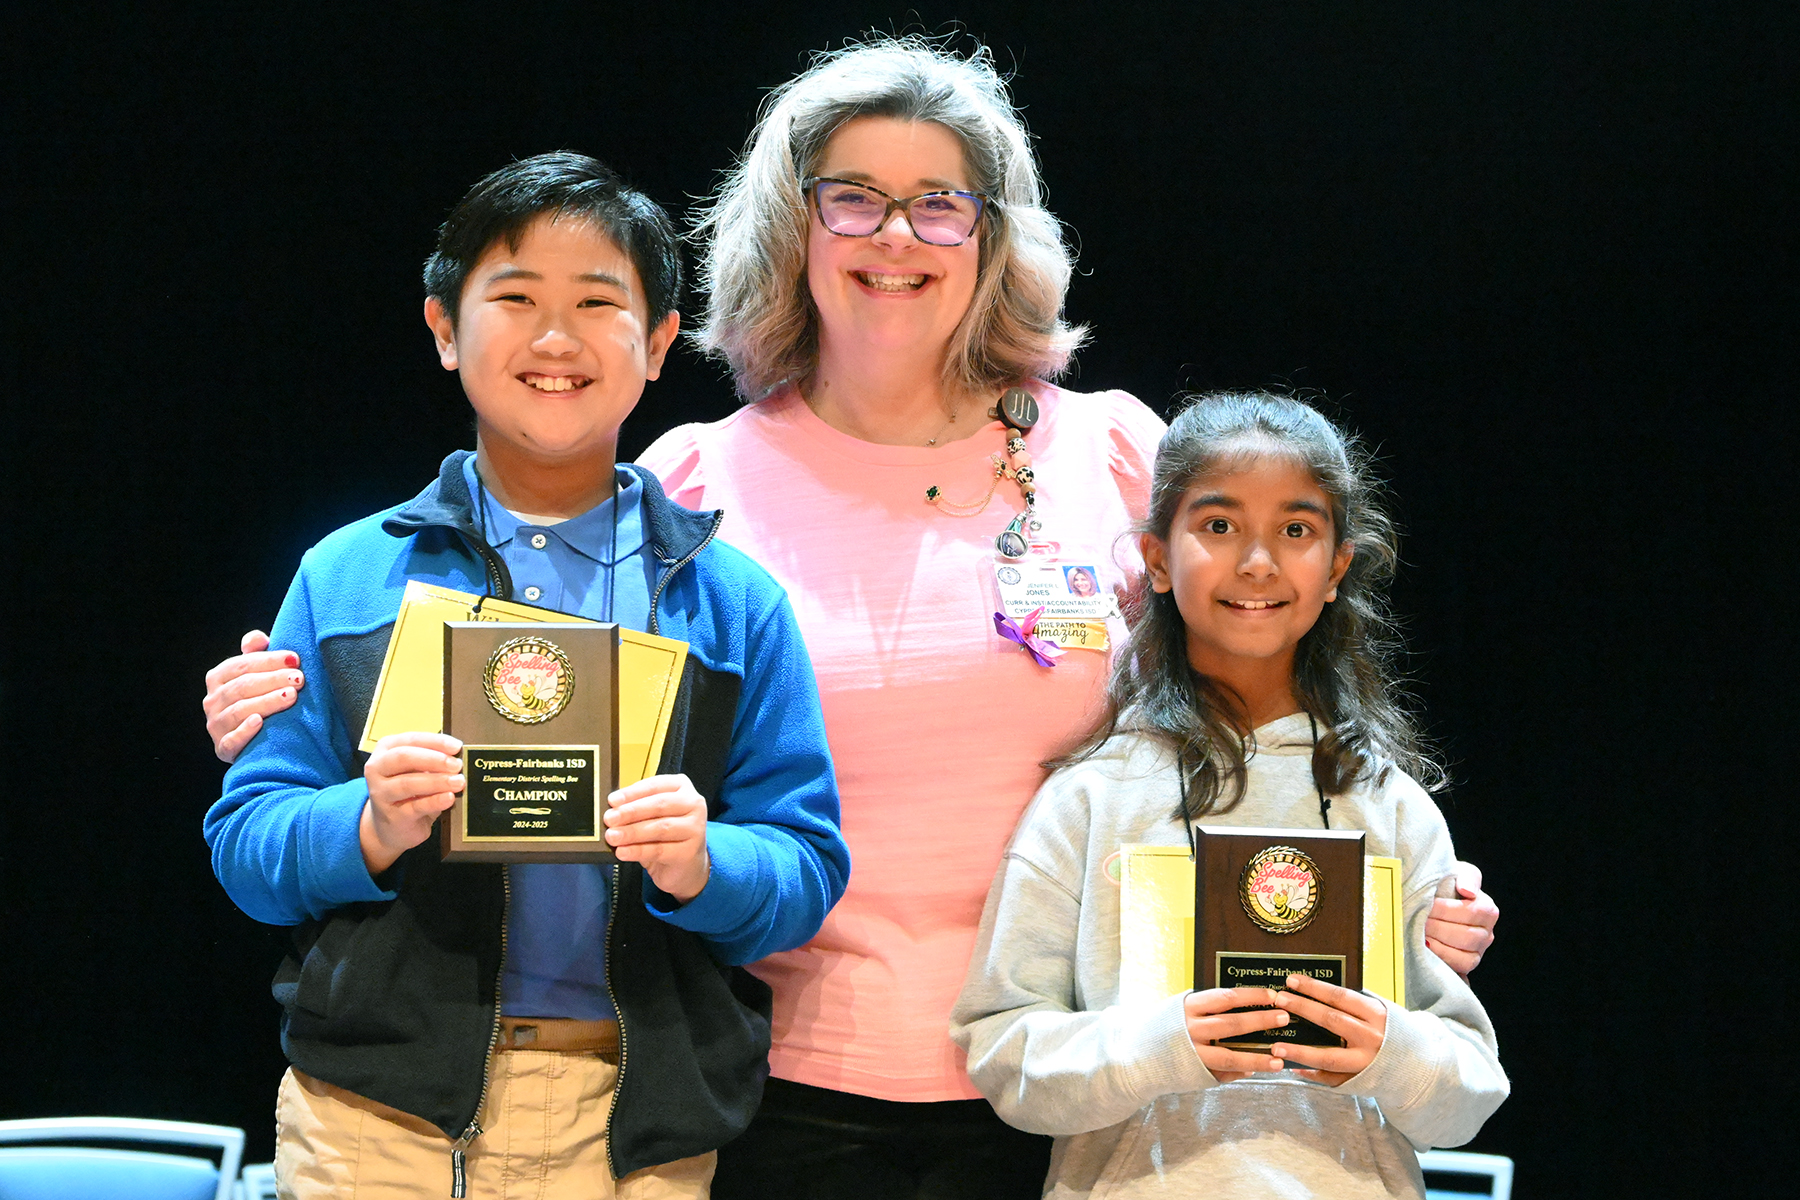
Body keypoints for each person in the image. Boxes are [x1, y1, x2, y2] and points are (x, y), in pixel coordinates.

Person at [201, 39, 1498, 1199]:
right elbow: (509, 667)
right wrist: (288, 704)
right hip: (776, 1092)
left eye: (941, 202)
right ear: (794, 229)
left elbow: (1259, 708)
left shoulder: (1116, 458)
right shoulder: (696, 491)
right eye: (854, 199)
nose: (897, 235)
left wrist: (1405, 886)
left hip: (1078, 1093)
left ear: (993, 236)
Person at [204, 152, 850, 1199]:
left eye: (599, 303)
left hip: (637, 1121)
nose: (555, 338)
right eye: (514, 299)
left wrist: (703, 860)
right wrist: (367, 825)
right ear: (444, 331)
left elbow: (805, 866)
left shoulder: (729, 603)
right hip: (376, 1118)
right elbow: (246, 845)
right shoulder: (350, 574)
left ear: (655, 346)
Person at [950, 392, 1509, 1198]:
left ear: (1337, 568)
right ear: (1154, 559)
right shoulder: (1090, 798)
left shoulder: (1387, 805)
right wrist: (1160, 1044)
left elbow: (1466, 1097)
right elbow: (1007, 1058)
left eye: (1296, 530)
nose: (1257, 562)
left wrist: (1391, 1052)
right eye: (1217, 526)